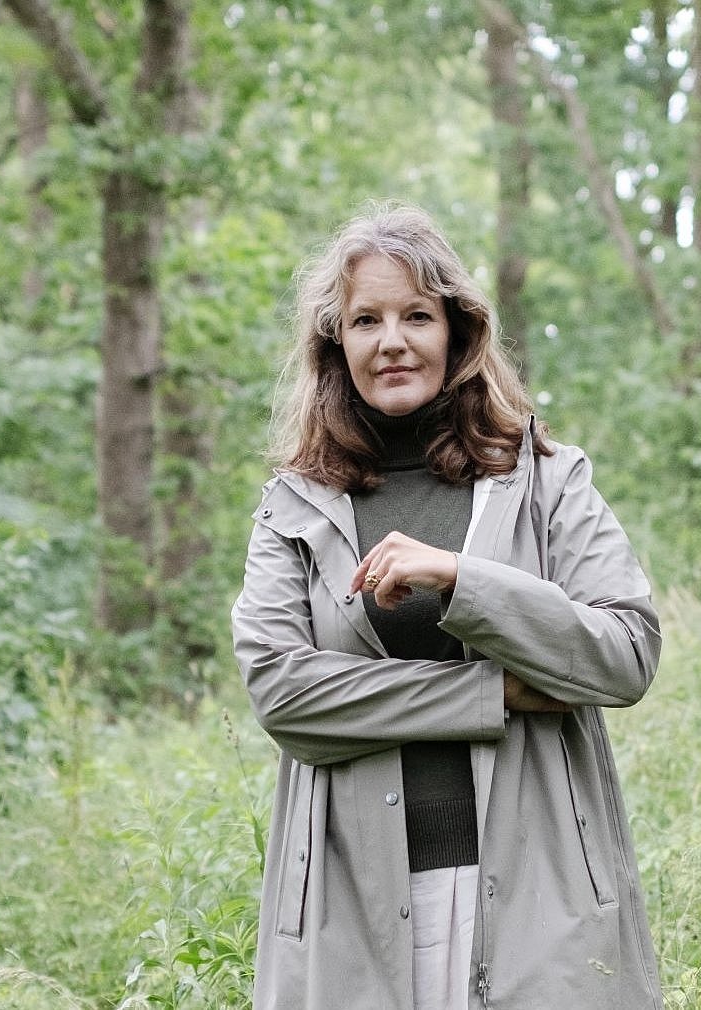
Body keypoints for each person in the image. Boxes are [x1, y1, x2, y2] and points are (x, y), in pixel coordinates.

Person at [231, 203, 664, 1010]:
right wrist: (487, 693)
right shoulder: (291, 506)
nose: (391, 339)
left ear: (457, 333)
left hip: (542, 890)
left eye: (416, 316)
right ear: (337, 346)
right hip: (348, 901)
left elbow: (626, 652)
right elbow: (282, 694)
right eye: (366, 319)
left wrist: (463, 580)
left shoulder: (547, 478)